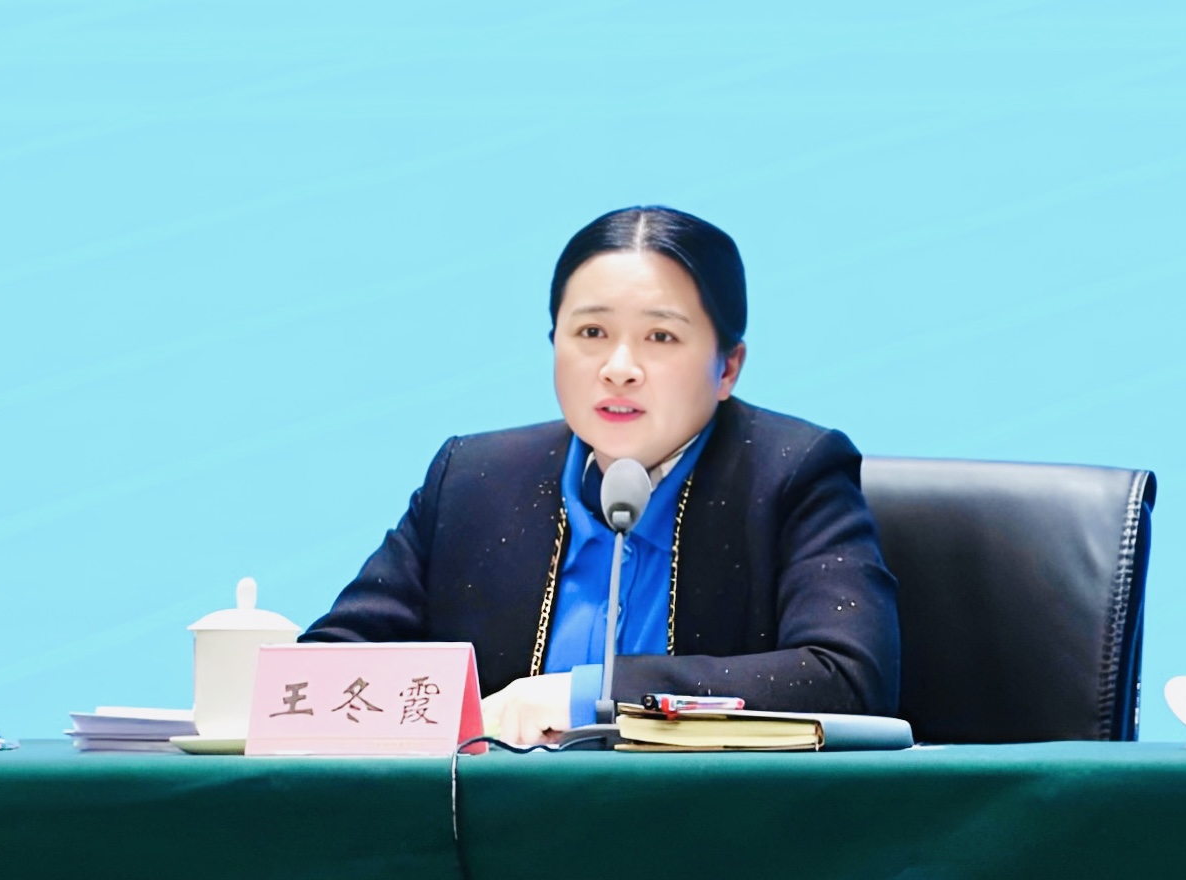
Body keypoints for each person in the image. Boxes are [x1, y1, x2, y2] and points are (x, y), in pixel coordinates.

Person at [300, 206, 900, 744]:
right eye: (591, 333)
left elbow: (847, 678)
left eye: (660, 336)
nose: (619, 368)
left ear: (728, 368)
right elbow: (329, 668)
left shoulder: (791, 475)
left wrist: (588, 694)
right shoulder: (474, 481)